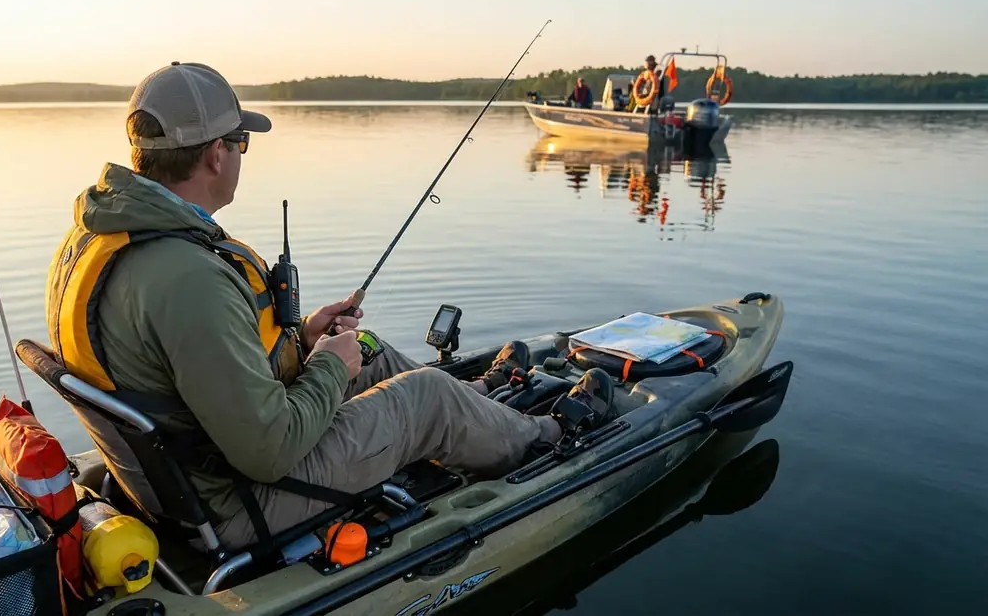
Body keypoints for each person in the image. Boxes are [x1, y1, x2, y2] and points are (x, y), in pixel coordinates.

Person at [44, 61, 603, 551]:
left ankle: (480, 404)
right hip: (242, 502)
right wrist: (331, 366)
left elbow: (183, 373)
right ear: (216, 154)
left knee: (366, 348)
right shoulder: (186, 278)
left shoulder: (97, 240)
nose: (241, 155)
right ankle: (550, 438)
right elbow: (269, 451)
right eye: (241, 143)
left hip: (189, 470)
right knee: (423, 396)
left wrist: (303, 342)